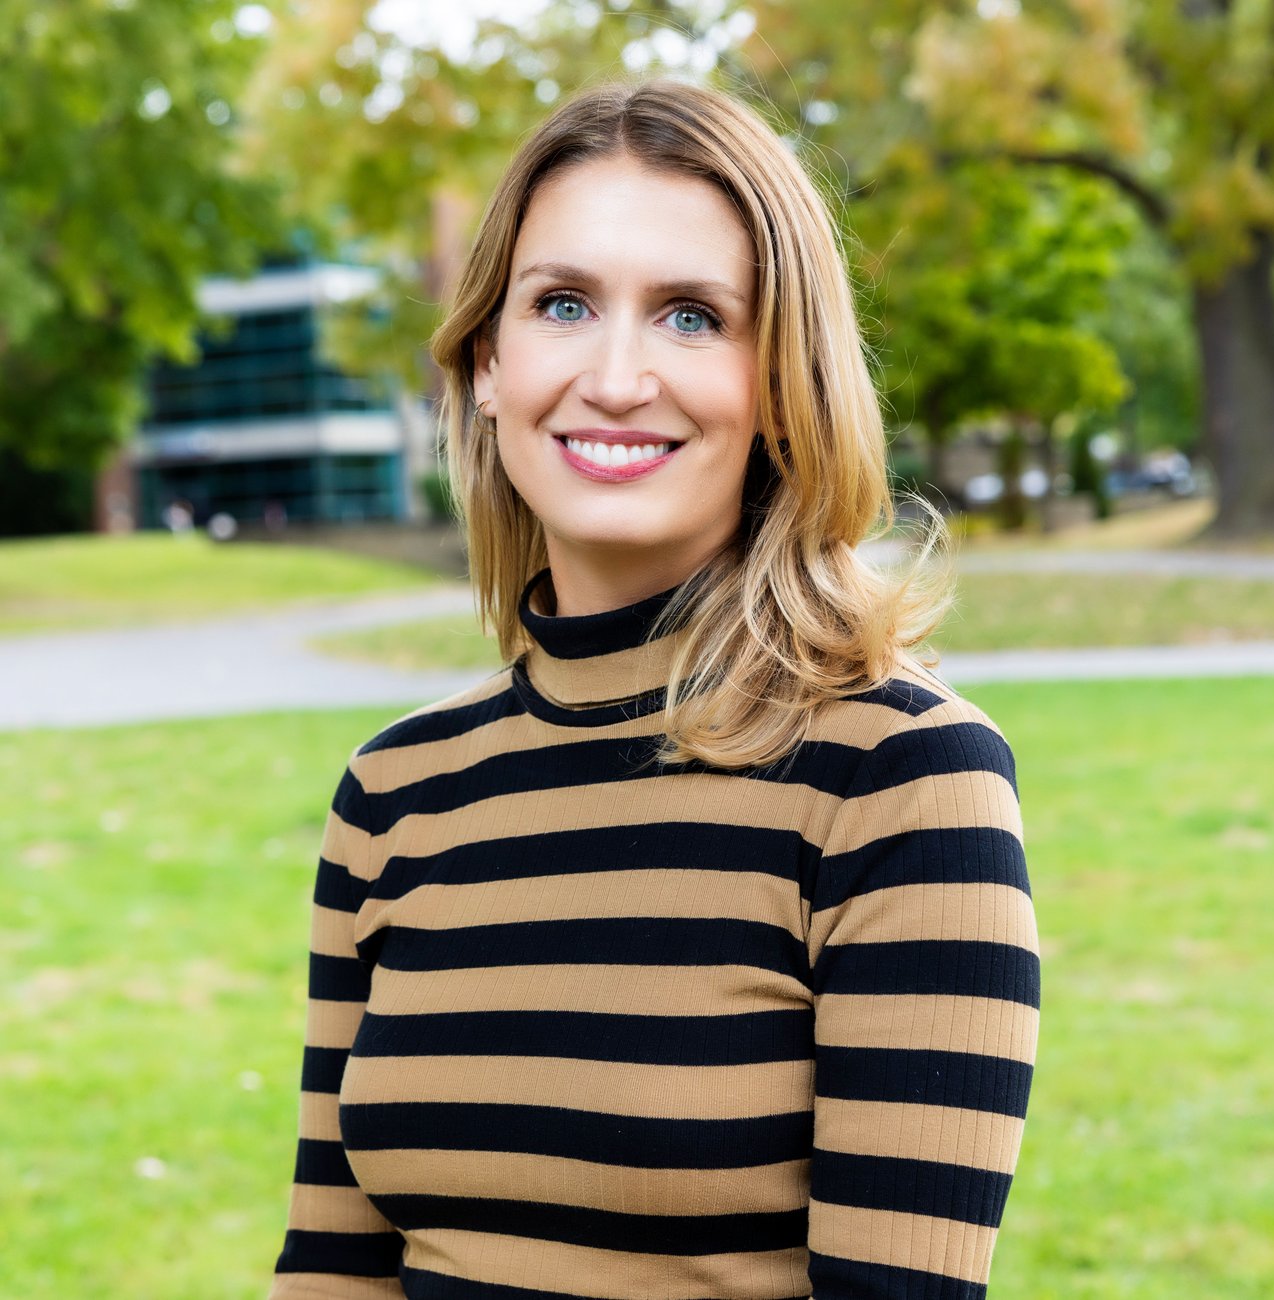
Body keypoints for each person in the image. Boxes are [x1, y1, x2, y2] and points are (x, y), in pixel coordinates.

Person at [270, 78, 1039, 1300]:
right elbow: (331, 1268)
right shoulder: (395, 792)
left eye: (690, 316)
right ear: (486, 361)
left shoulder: (899, 778)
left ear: (779, 380)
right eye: (564, 304)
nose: (618, 377)